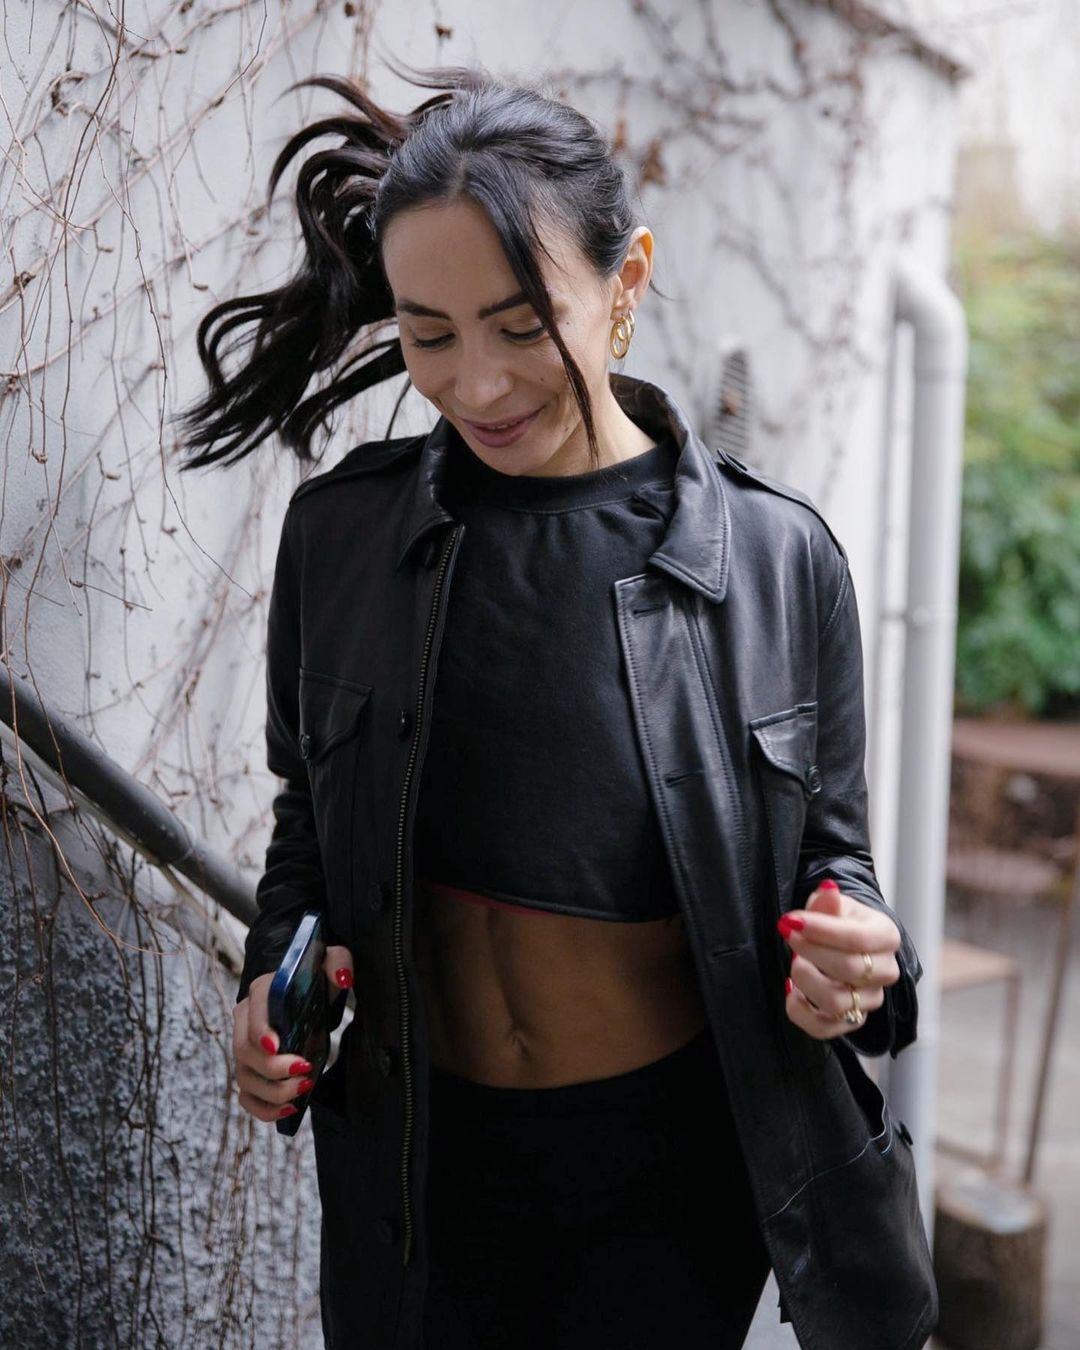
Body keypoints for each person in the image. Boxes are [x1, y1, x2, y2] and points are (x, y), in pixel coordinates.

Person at [176, 59, 938, 1350]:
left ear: (625, 281)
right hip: (417, 1176)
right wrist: (275, 984)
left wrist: (856, 958)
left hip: (664, 1189)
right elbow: (310, 817)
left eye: (521, 325)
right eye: (429, 335)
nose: (475, 384)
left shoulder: (775, 560)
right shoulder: (341, 537)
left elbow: (835, 864)